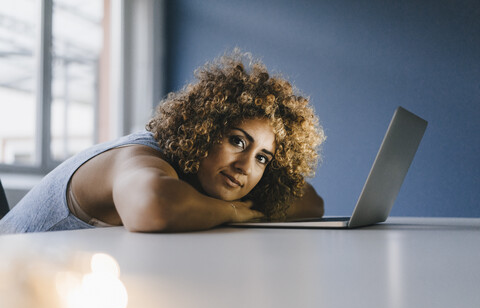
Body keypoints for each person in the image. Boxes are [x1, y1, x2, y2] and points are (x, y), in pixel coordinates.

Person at [0, 50, 326, 234]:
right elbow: (155, 207)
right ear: (204, 127)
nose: (245, 167)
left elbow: (311, 203)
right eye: (238, 142)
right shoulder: (140, 157)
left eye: (263, 158)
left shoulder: (200, 178)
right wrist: (234, 211)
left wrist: (250, 205)